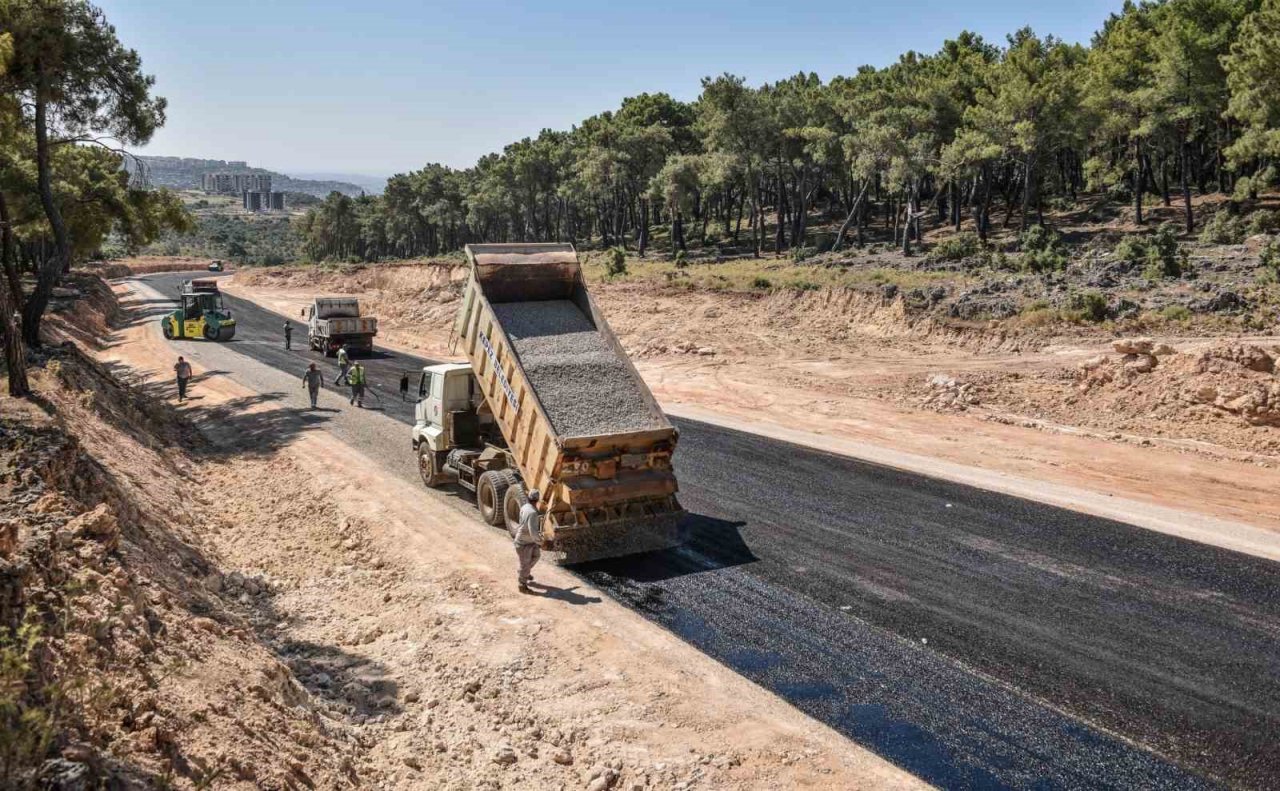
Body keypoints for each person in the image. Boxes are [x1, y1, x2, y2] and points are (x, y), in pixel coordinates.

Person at [514, 488, 542, 593]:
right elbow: (533, 532)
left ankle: (524, 571)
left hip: (527, 541)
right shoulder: (533, 513)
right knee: (525, 563)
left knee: (537, 555)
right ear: (537, 500)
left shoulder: (525, 507)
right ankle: (522, 585)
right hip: (523, 543)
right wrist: (541, 542)